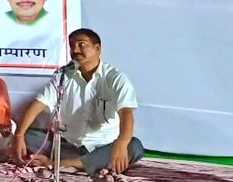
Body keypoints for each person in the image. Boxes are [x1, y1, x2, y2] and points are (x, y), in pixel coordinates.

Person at [10, 29, 144, 177]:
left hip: (103, 146)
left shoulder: (115, 78)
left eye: (81, 44)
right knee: (28, 137)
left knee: (134, 146)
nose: (75, 50)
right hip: (68, 146)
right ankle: (83, 164)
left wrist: (121, 143)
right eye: (72, 45)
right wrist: (19, 135)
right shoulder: (63, 75)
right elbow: (39, 103)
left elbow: (126, 113)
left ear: (97, 49)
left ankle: (56, 163)